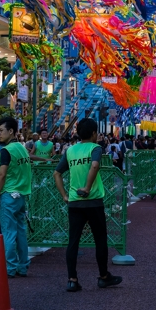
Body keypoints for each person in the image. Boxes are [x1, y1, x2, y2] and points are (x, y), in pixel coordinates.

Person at [53, 118, 123, 292]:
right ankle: (103, 276)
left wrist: (64, 195)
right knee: (100, 240)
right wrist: (87, 187)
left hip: (74, 203)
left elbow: (56, 173)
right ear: (93, 134)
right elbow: (95, 165)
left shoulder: (70, 151)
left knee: (73, 241)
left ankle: (72, 279)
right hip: (93, 202)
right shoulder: (95, 148)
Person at [0, 117, 33, 278]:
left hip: (8, 194)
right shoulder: (22, 148)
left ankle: (10, 267)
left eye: (1, 131)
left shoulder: (6, 150)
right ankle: (22, 266)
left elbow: (2, 174)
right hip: (22, 195)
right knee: (20, 232)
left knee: (9, 232)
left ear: (11, 131)